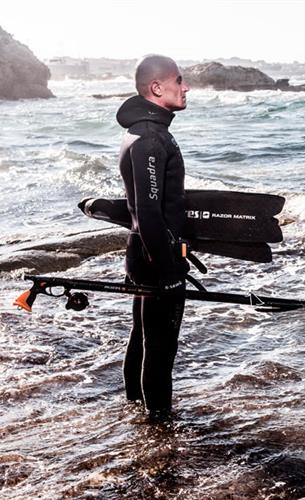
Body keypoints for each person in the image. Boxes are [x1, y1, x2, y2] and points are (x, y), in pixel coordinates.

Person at [116, 54, 190, 419]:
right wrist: (169, 270)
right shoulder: (149, 139)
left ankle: (135, 414)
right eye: (179, 80)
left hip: (143, 253)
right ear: (157, 87)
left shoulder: (146, 132)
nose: (186, 86)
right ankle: (160, 430)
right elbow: (148, 212)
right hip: (153, 257)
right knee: (159, 348)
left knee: (142, 338)